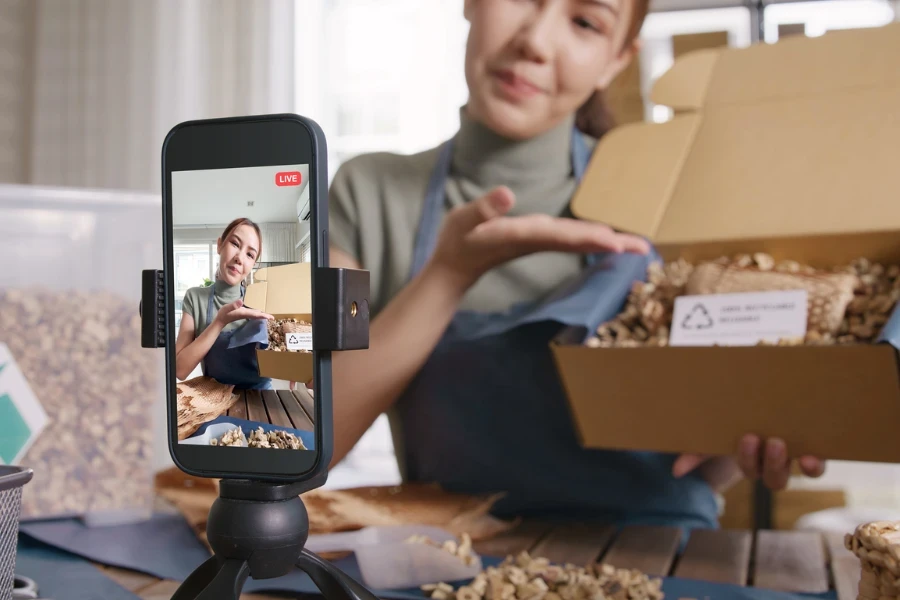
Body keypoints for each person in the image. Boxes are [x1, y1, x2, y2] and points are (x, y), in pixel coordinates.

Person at [325, 0, 826, 528]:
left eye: (585, 22)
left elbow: (704, 457)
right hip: (444, 562)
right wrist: (447, 276)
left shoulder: (674, 198)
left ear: (617, 59)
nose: (535, 43)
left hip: (660, 560)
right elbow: (298, 438)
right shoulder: (363, 193)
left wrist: (760, 431)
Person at [175, 217, 274, 390]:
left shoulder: (262, 300)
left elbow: (285, 354)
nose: (239, 258)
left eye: (250, 255)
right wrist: (219, 322)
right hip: (214, 399)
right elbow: (180, 369)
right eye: (235, 244)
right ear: (220, 245)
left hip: (261, 399)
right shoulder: (195, 298)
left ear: (253, 264)